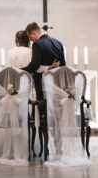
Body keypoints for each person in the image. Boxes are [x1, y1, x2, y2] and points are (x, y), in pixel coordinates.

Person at [22, 22, 66, 157]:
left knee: (43, 118)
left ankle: (45, 148)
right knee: (58, 118)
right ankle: (59, 148)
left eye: (30, 38)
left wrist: (18, 71)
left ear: (34, 33)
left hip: (43, 86)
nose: (31, 41)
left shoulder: (38, 44)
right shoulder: (58, 42)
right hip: (58, 85)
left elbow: (34, 66)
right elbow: (63, 65)